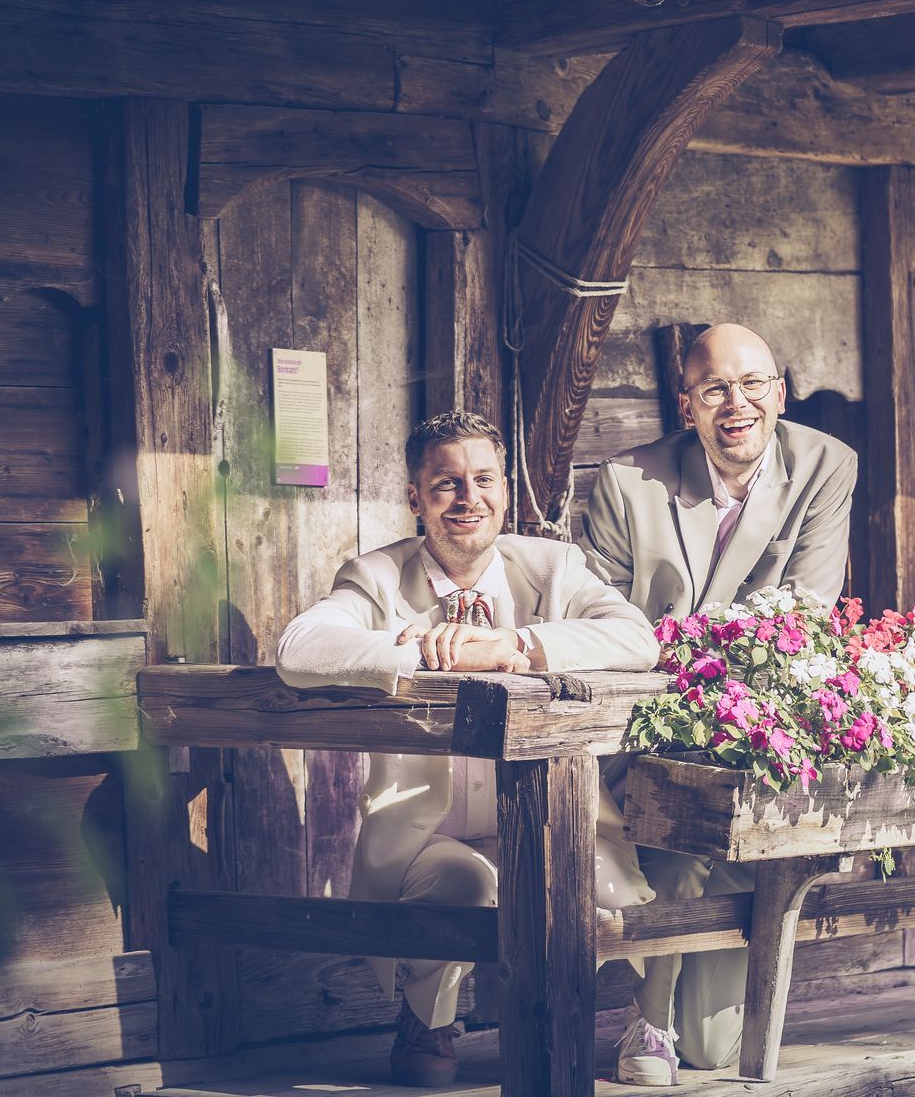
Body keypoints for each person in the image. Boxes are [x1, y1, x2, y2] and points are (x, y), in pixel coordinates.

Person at [277, 411, 659, 1088]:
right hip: (429, 831)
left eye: (483, 480)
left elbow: (638, 639)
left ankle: (561, 1015)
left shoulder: (554, 566)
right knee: (464, 883)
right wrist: (418, 648)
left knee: (586, 888)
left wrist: (519, 644)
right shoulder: (375, 576)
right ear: (415, 497)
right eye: (446, 483)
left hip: (550, 820)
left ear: (505, 491)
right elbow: (298, 651)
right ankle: (428, 1020)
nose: (468, 498)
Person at [582, 323, 857, 1085]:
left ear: (780, 392)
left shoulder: (827, 465)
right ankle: (650, 1020)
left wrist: (722, 684)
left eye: (752, 385)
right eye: (714, 390)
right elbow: (598, 613)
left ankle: (675, 1012)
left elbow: (805, 608)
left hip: (758, 720)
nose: (736, 404)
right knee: (673, 800)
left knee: (714, 1049)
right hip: (648, 720)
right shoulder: (628, 481)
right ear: (688, 404)